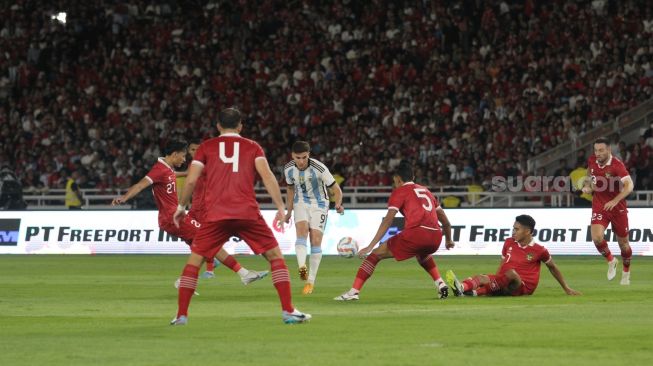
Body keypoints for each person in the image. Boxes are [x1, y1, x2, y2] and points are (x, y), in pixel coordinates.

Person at [171, 108, 310, 325]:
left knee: (195, 261)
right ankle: (288, 310)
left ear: (218, 126)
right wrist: (281, 207)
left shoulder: (206, 147)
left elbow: (190, 180)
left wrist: (181, 207)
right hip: (247, 212)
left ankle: (181, 315)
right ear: (240, 126)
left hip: (215, 214)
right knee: (275, 257)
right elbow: (268, 176)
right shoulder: (252, 146)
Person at [111, 140, 265, 287]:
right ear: (174, 154)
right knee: (210, 241)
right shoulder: (158, 169)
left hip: (174, 218)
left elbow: (170, 176)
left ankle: (188, 280)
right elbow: (140, 185)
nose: (184, 159)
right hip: (173, 218)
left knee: (203, 248)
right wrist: (124, 197)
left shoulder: (167, 169)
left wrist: (184, 173)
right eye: (183, 155)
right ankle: (243, 274)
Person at [334, 161, 455, 301]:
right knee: (421, 252)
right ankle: (440, 284)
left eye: (394, 181)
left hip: (416, 233)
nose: (394, 184)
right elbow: (446, 222)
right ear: (413, 176)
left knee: (375, 255)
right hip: (436, 237)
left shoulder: (400, 191)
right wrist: (448, 240)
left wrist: (371, 245)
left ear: (398, 179)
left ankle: (353, 292)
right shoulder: (426, 191)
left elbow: (388, 220)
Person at [446, 215, 581, 297]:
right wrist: (496, 279)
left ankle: (477, 292)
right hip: (505, 281)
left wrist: (566, 288)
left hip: (522, 286)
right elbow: (503, 262)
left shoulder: (540, 250)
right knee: (482, 277)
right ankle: (462, 288)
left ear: (527, 231)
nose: (513, 232)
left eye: (517, 229)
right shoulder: (509, 242)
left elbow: (553, 267)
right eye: (513, 228)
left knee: (511, 274)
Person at [283, 140, 344, 295]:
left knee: (315, 240)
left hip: (320, 205)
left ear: (308, 154)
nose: (301, 161)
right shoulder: (288, 169)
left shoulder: (319, 168)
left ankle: (310, 282)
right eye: (298, 158)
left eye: (304, 157)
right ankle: (302, 265)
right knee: (302, 232)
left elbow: (336, 189)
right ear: (292, 156)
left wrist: (337, 204)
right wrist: (288, 211)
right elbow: (290, 190)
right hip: (300, 202)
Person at [582, 137, 634, 285]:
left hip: (618, 208)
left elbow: (629, 186)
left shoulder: (617, 165)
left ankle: (626, 271)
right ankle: (611, 260)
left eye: (601, 150)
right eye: (596, 150)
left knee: (624, 245)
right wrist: (588, 185)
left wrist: (615, 200)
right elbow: (589, 174)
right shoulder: (592, 160)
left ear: (609, 150)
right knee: (597, 238)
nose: (597, 153)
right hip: (599, 205)